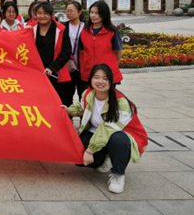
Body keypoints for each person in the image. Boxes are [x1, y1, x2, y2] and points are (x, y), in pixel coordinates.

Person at [62, 64, 148, 194]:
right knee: (77, 154)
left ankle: (118, 174)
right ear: (91, 79)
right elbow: (82, 108)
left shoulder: (121, 103)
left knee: (117, 140)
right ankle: (103, 159)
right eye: (96, 77)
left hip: (122, 134)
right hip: (97, 131)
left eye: (105, 78)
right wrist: (69, 111)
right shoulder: (89, 93)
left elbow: (108, 129)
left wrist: (90, 151)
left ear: (111, 81)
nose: (100, 81)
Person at [79, 1, 124, 90]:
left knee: (106, 98)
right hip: (88, 73)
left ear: (104, 14)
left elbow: (119, 51)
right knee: (87, 97)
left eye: (97, 13)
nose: (93, 15)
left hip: (106, 74)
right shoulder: (85, 31)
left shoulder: (113, 32)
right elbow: (81, 50)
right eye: (91, 12)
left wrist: (112, 64)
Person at [32, 2, 72, 100]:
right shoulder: (31, 29)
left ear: (51, 15)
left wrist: (52, 68)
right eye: (39, 13)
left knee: (56, 101)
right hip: (36, 73)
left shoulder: (60, 29)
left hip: (54, 73)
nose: (42, 16)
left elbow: (66, 52)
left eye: (45, 13)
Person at [62, 1, 85, 103]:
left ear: (79, 12)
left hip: (83, 67)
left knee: (83, 94)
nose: (69, 13)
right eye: (67, 11)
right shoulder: (63, 27)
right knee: (67, 94)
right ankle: (68, 113)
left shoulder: (86, 27)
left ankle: (82, 113)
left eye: (72, 11)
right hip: (68, 67)